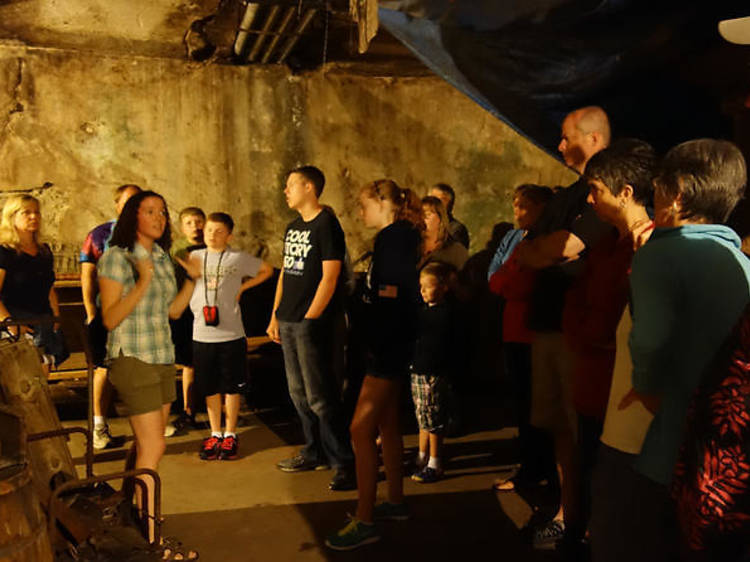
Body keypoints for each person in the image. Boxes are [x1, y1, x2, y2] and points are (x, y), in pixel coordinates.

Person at [618, 139, 750, 562]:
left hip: (669, 442)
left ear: (676, 194)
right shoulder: (742, 261)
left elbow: (649, 342)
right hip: (727, 455)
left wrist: (644, 386)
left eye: (657, 187)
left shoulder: (660, 255)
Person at [514, 105, 611, 549]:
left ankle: (589, 522)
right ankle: (567, 512)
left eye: (566, 136)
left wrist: (549, 250)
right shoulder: (567, 197)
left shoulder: (601, 192)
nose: (558, 144)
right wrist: (546, 250)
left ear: (592, 139)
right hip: (549, 328)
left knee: (584, 431)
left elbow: (567, 245)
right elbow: (531, 250)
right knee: (558, 427)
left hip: (578, 333)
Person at [557, 139, 656, 562]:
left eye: (595, 190)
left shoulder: (652, 251)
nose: (590, 200)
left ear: (626, 193)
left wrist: (597, 334)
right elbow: (577, 302)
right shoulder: (608, 246)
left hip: (626, 405)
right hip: (595, 386)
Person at [97, 190, 197, 553]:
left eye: (163, 212)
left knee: (148, 447)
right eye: (149, 211)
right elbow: (110, 318)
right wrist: (141, 282)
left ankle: (136, 517)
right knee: (155, 446)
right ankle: (153, 542)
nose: (159, 218)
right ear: (132, 218)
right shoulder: (115, 258)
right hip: (132, 358)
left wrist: (192, 281)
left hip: (161, 357)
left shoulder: (161, 256)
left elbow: (172, 312)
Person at [326, 179, 422, 551]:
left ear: (383, 202)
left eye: (364, 205)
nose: (359, 212)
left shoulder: (393, 238)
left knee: (360, 429)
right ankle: (395, 501)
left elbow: (392, 293)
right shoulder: (402, 235)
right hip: (395, 342)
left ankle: (364, 518)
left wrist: (373, 325)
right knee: (388, 423)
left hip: (388, 346)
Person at [266, 166, 355, 490]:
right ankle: (313, 450)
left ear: (309, 187)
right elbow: (286, 274)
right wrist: (276, 315)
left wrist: (310, 319)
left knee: (321, 395)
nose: (285, 191)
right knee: (298, 393)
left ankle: (343, 461)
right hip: (288, 319)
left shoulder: (326, 224)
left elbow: (330, 276)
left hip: (309, 321)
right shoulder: (293, 227)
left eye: (290, 185)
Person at [488, 184, 555, 493]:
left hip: (529, 334)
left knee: (533, 407)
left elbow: (517, 285)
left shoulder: (542, 242)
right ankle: (531, 465)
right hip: (515, 331)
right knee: (522, 404)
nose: (517, 212)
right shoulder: (521, 240)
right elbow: (497, 278)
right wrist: (507, 279)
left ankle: (537, 470)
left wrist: (507, 279)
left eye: (524, 206)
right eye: (515, 205)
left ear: (542, 208)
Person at [191, 212, 272, 460]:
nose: (212, 235)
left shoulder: (236, 258)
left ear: (229, 235)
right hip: (202, 333)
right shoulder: (194, 256)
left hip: (231, 333)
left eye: (218, 231)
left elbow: (266, 270)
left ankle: (230, 434)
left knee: (232, 386)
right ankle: (215, 433)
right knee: (210, 387)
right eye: (208, 231)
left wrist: (243, 288)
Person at [80, 183, 141, 449]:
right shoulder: (99, 235)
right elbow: (87, 275)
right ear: (117, 205)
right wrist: (91, 312)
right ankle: (98, 427)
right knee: (104, 370)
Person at [0, 195, 63, 369]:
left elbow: (49, 287)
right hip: (14, 322)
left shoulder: (44, 251)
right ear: (12, 216)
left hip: (42, 321)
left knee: (42, 374)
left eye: (36, 212)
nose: (33, 217)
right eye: (26, 213)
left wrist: (55, 318)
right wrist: (10, 324)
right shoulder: (5, 252)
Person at [410, 262, 457, 484]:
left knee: (433, 418)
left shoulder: (444, 314)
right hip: (419, 371)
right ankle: (422, 455)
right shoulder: (424, 312)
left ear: (443, 287)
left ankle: (434, 462)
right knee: (423, 416)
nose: (423, 291)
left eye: (427, 287)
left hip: (431, 373)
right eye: (421, 287)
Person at [168, 206, 206, 434]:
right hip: (185, 314)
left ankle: (220, 409)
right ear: (182, 228)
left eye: (199, 221)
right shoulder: (177, 251)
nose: (196, 227)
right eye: (190, 223)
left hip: (208, 312)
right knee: (188, 363)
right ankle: (188, 410)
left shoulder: (213, 248)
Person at [418, 196, 468, 271]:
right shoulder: (410, 246)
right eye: (419, 215)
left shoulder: (456, 252)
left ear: (440, 219)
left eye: (427, 215)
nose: (421, 219)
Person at [430, 183, 470, 249]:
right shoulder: (423, 226)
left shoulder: (456, 230)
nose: (432, 203)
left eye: (438, 201)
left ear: (449, 204)